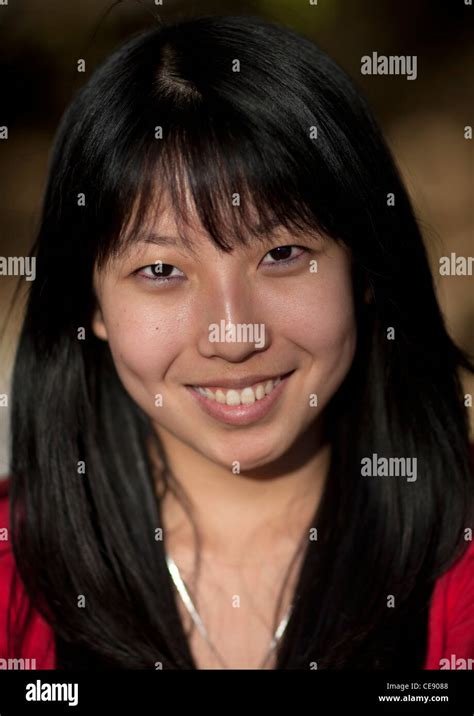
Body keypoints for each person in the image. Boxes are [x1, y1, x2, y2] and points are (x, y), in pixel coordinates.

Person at [1, 14, 473, 670]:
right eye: (161, 271)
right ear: (91, 304)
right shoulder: (10, 589)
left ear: (365, 268)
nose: (232, 335)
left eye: (281, 253)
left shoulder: (461, 570)